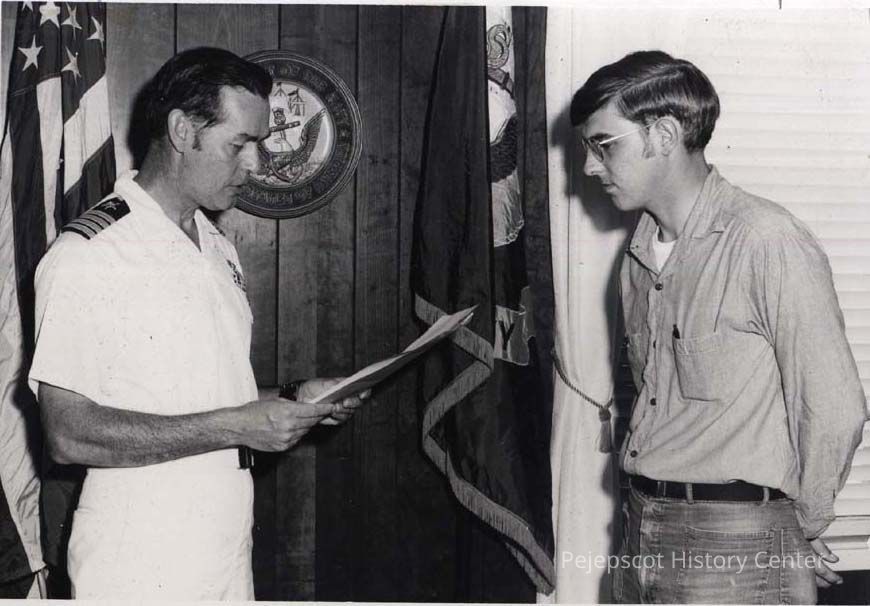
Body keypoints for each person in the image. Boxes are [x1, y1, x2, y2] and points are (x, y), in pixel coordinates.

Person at [27, 47, 367, 600]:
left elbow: (202, 397)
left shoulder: (214, 244)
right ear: (183, 131)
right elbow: (68, 433)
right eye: (240, 144)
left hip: (224, 554)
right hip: (137, 562)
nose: (256, 164)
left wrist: (295, 397)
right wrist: (237, 427)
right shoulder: (91, 254)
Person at [570, 50, 867, 604]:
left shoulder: (766, 240)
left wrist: (796, 528)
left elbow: (834, 405)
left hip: (735, 543)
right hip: (640, 528)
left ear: (663, 135)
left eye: (603, 145)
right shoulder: (638, 253)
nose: (589, 167)